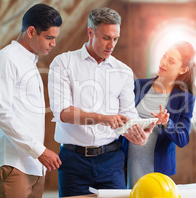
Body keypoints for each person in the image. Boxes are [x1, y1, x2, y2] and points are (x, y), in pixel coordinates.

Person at [48, 7, 157, 197]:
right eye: (106, 37)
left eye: (115, 39)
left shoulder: (123, 72)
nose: (111, 44)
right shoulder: (63, 63)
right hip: (73, 161)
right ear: (90, 32)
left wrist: (139, 135)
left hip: (111, 161)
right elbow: (63, 113)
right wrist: (103, 118)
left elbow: (128, 114)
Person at [0, 4, 62, 198]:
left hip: (33, 167)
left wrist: (38, 156)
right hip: (13, 165)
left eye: (55, 38)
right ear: (31, 31)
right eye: (49, 37)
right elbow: (1, 114)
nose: (53, 44)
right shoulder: (5, 60)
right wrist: (40, 151)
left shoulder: (30, 62)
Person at [123, 41, 196, 189]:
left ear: (183, 70)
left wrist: (167, 123)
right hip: (125, 165)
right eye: (164, 56)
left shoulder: (185, 98)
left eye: (171, 61)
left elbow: (183, 139)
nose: (163, 62)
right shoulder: (139, 86)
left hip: (157, 170)